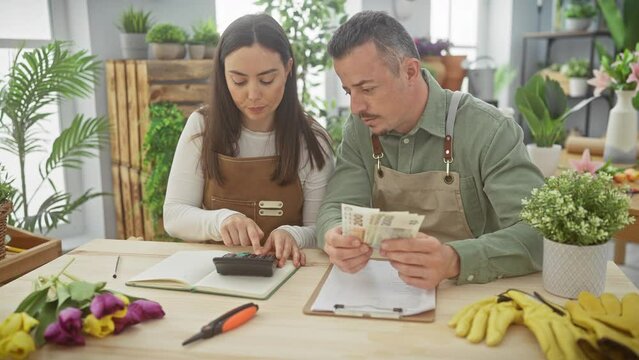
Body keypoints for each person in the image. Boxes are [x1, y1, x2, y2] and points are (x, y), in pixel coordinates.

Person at [316, 11, 544, 289]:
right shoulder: (360, 129)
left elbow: (538, 232)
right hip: (385, 290)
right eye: (350, 91)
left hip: (471, 293)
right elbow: (336, 207)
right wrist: (333, 235)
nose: (356, 107)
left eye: (368, 89)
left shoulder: (490, 130)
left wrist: (454, 260)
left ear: (410, 71)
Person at [164, 14, 334, 268]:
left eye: (267, 80)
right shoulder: (202, 127)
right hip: (213, 272)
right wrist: (221, 220)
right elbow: (174, 215)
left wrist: (293, 234)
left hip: (286, 275)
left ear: (288, 70)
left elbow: (320, 229)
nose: (253, 94)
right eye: (239, 81)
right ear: (223, 74)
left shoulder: (313, 141)